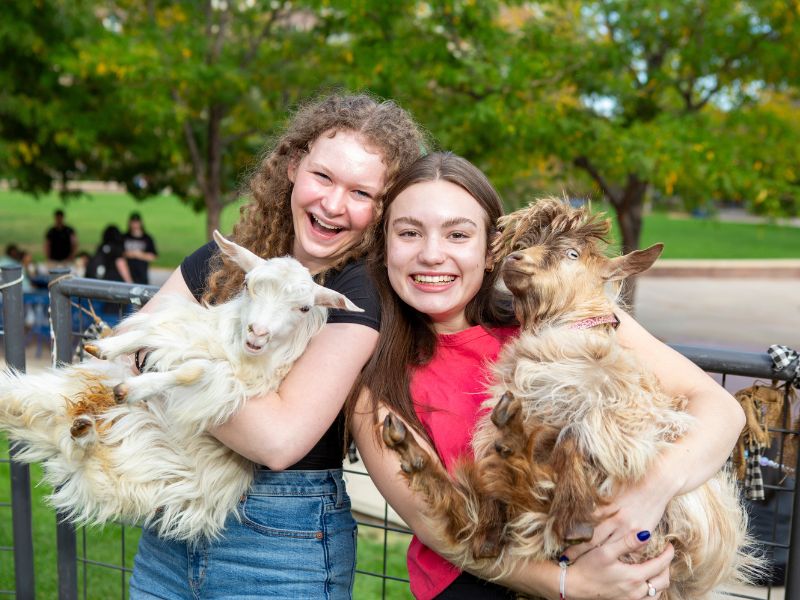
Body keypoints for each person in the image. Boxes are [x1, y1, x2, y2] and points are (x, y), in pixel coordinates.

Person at [349, 152, 746, 599]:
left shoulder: (571, 315)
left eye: (458, 234)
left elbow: (721, 409)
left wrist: (650, 493)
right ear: (385, 250)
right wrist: (571, 585)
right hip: (480, 586)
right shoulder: (378, 384)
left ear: (491, 250)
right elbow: (438, 528)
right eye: (409, 233)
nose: (432, 254)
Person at [126, 93, 427, 598]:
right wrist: (152, 356)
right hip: (171, 528)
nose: (333, 205)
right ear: (293, 165)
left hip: (281, 545)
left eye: (361, 193)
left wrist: (163, 363)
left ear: (383, 208)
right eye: (323, 177)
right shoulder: (232, 259)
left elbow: (277, 441)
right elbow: (124, 344)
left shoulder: (359, 293)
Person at [123, 212, 158, 284]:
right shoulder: (124, 237)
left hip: (142, 276)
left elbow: (153, 256)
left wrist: (139, 255)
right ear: (129, 223)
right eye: (133, 222)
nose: (135, 225)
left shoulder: (147, 238)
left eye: (137, 222)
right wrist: (129, 254)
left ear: (141, 223)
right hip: (126, 275)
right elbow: (118, 254)